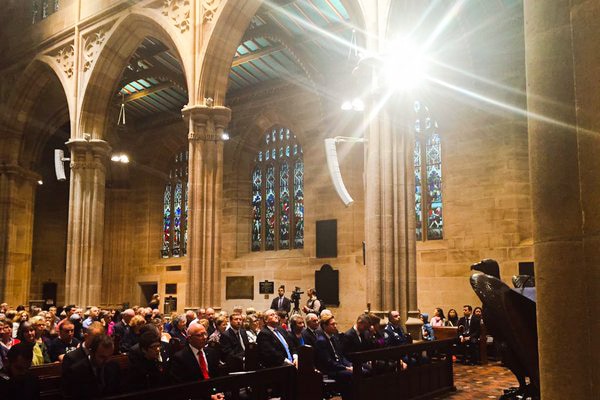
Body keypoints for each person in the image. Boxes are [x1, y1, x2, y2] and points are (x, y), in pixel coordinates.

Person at [169, 322, 224, 400]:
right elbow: (183, 387)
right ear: (189, 338)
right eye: (199, 335)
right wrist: (209, 397)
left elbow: (216, 376)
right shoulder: (180, 357)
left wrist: (219, 392)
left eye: (205, 334)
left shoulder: (212, 352)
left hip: (214, 392)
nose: (205, 337)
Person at [61, 334, 121, 399]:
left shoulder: (114, 366)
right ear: (91, 352)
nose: (107, 361)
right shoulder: (76, 371)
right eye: (102, 357)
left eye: (109, 356)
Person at [314, 315, 353, 400]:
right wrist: (346, 368)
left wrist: (350, 365)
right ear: (325, 326)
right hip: (330, 370)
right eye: (332, 324)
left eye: (335, 324)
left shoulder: (334, 338)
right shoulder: (321, 341)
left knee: (360, 370)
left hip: (339, 367)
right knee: (351, 374)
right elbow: (328, 362)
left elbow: (341, 356)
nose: (335, 326)